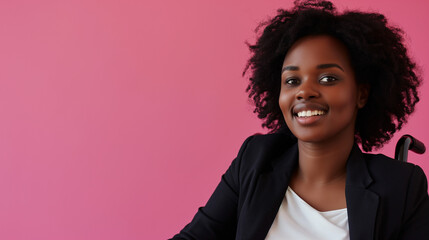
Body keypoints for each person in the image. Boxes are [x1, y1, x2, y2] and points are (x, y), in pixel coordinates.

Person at [171, 0, 429, 239]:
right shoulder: (255, 161)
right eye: (292, 81)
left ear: (361, 94)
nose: (304, 91)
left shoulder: (401, 186)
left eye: (328, 78)